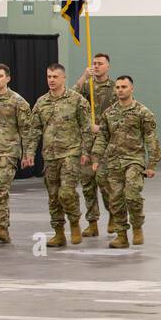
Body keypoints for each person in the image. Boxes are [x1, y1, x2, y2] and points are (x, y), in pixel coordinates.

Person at [91, 76, 160, 248]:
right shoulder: (109, 113)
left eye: (124, 87)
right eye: (118, 87)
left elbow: (151, 139)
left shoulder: (142, 112)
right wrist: (96, 158)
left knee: (132, 195)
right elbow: (102, 138)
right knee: (115, 199)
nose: (120, 90)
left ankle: (137, 227)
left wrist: (151, 164)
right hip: (113, 162)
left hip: (134, 161)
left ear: (132, 89)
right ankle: (121, 235)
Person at [31, 63, 93, 246]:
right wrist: (29, 152)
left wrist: (86, 151)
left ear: (63, 78)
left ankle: (74, 224)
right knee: (53, 196)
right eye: (49, 77)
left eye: (55, 77)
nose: (51, 80)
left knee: (66, 193)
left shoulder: (76, 100)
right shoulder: (42, 102)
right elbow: (34, 130)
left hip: (71, 153)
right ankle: (59, 233)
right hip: (50, 156)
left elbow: (86, 128)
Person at [0, 63, 37, 244]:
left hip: (8, 152)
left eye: (0, 76)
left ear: (8, 78)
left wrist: (28, 153)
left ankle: (1, 230)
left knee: (0, 189)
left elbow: (27, 130)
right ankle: (1, 227)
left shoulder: (17, 101)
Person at [74, 52, 115, 236]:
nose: (96, 66)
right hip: (87, 143)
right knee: (87, 184)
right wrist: (84, 77)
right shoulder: (87, 86)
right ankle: (92, 223)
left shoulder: (114, 88)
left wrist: (103, 126)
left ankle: (113, 216)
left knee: (105, 182)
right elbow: (70, 97)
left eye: (100, 63)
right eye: (94, 63)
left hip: (106, 142)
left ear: (108, 66)